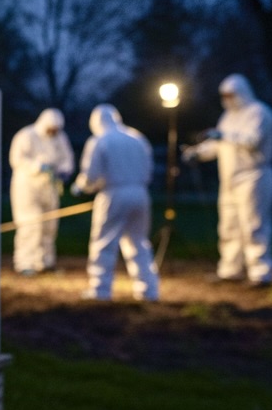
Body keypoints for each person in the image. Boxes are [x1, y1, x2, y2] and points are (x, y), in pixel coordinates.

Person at [182, 73, 272, 286]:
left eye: (231, 94)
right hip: (229, 180)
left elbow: (251, 141)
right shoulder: (228, 117)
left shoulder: (259, 113)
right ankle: (230, 269)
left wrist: (223, 136)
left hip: (254, 176)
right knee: (229, 226)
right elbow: (218, 145)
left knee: (254, 225)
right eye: (224, 95)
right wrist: (197, 152)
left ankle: (260, 272)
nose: (227, 99)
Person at [70, 104, 160, 301]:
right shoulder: (137, 138)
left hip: (113, 194)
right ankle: (149, 290)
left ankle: (100, 290)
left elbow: (91, 175)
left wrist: (81, 187)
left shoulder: (100, 140)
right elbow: (149, 168)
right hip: (140, 193)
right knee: (138, 241)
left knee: (104, 241)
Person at [8, 108, 74, 275]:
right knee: (31, 224)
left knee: (49, 225)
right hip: (28, 186)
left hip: (50, 185)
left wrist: (63, 170)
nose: (53, 132)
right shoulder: (27, 135)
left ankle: (45, 261)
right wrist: (37, 166)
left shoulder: (60, 138)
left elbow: (67, 159)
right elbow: (16, 159)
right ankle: (25, 263)